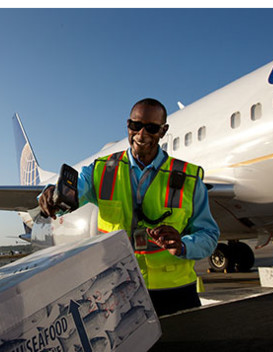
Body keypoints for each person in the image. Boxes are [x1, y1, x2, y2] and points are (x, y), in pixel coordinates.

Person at [38, 98, 219, 317]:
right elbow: (73, 189)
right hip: (119, 288)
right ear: (127, 126)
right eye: (136, 126)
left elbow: (209, 235)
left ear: (164, 131)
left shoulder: (189, 178)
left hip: (175, 291)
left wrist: (183, 245)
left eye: (151, 128)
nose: (141, 134)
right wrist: (51, 193)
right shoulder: (101, 170)